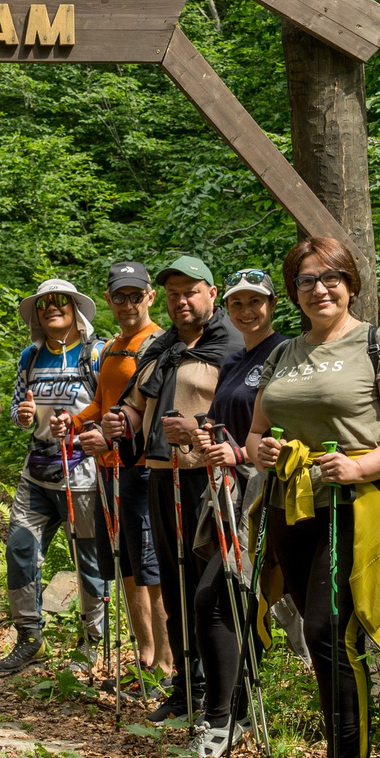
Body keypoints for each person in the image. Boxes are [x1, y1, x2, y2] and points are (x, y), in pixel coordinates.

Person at [245, 236, 380, 758]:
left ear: (351, 283)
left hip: (356, 505)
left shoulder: (377, 343)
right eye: (306, 280)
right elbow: (254, 436)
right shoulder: (283, 354)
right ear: (294, 291)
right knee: (314, 630)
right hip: (291, 503)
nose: (319, 289)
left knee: (333, 632)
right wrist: (266, 451)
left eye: (331, 278)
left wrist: (359, 465)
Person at [176, 267, 289, 758]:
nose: (247, 311)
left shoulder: (284, 352)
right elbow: (226, 421)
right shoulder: (235, 356)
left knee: (217, 598)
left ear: (273, 305)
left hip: (265, 494)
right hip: (227, 494)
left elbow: (279, 425)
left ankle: (221, 717)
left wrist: (238, 455)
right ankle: (232, 711)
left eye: (256, 302)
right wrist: (206, 437)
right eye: (239, 303)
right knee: (232, 598)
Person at [125, 256, 240, 722]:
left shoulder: (232, 346)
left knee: (210, 591)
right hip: (160, 474)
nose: (181, 301)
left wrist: (197, 432)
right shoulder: (161, 346)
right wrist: (119, 422)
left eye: (191, 291)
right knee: (173, 590)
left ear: (212, 293)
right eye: (173, 293)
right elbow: (137, 403)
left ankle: (225, 698)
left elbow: (245, 413)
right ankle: (185, 689)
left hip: (209, 479)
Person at [0, 278, 108, 676]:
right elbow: (16, 407)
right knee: (20, 548)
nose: (51, 308)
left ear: (76, 308)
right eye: (43, 304)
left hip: (84, 473)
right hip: (38, 471)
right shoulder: (31, 355)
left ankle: (93, 642)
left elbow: (113, 407)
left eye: (61, 301)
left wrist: (84, 429)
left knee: (89, 560)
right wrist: (23, 416)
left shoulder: (97, 354)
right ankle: (29, 637)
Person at [76, 262, 166, 678]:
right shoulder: (111, 347)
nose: (128, 304)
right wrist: (72, 424)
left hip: (142, 467)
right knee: (126, 566)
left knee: (152, 570)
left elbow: (149, 412)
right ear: (109, 300)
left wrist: (111, 438)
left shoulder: (160, 344)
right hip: (108, 469)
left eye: (136, 295)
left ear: (151, 296)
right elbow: (102, 404)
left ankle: (168, 662)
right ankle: (144, 657)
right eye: (119, 296)